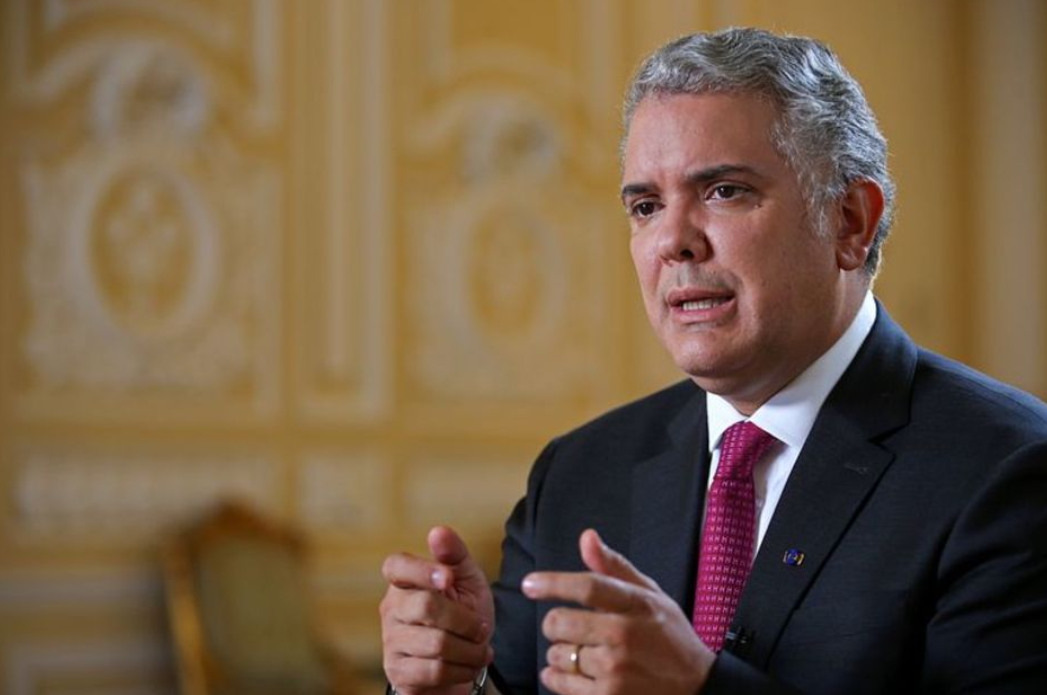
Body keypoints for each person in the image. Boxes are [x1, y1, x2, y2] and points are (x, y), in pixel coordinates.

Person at [379, 28, 1047, 695]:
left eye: (724, 191)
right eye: (646, 206)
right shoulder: (579, 474)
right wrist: (453, 679)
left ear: (849, 221)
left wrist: (699, 688)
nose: (672, 240)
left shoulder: (1006, 469)